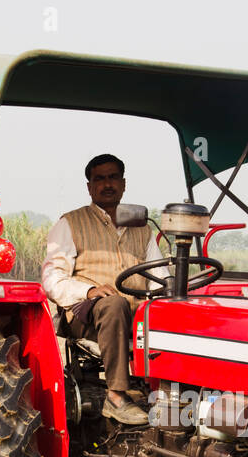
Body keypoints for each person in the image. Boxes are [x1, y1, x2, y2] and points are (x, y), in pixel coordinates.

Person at [42, 153, 165, 425]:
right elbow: (51, 278)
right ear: (89, 187)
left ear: (123, 183)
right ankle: (116, 396)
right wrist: (88, 291)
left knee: (175, 309)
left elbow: (160, 276)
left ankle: (178, 395)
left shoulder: (142, 227)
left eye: (113, 177)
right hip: (87, 316)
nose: (107, 184)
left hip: (137, 316)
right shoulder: (70, 223)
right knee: (113, 303)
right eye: (100, 179)